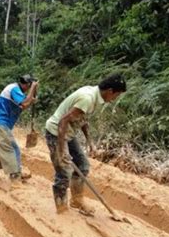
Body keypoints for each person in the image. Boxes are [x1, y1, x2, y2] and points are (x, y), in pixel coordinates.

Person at [45, 73, 127, 215]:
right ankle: (61, 206)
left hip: (68, 133)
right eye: (116, 95)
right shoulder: (87, 98)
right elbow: (63, 121)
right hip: (56, 133)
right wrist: (61, 149)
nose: (115, 99)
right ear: (110, 91)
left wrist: (89, 141)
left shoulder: (94, 95)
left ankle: (77, 200)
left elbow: (82, 119)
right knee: (64, 170)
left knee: (82, 165)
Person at [0, 74, 39, 188]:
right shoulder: (14, 89)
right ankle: (15, 179)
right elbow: (24, 103)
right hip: (0, 124)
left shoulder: (15, 90)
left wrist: (31, 99)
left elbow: (23, 105)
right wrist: (32, 90)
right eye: (29, 85)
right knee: (12, 149)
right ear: (27, 84)